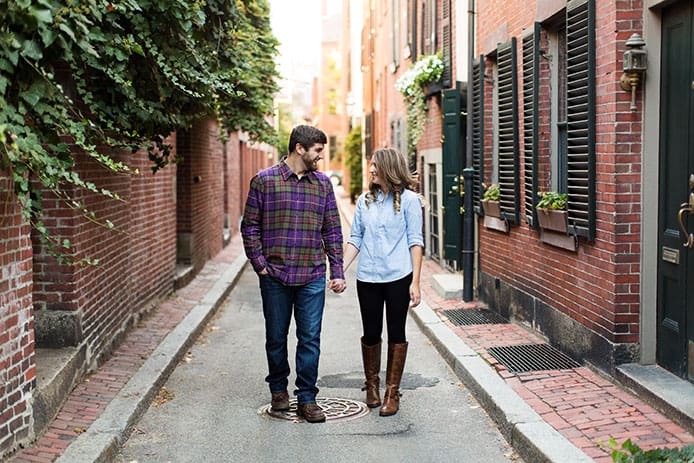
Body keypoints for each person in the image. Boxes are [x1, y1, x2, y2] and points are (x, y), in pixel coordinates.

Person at [241, 125, 346, 423]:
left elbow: (332, 230)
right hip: (275, 275)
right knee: (276, 337)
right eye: (317, 150)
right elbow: (250, 226)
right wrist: (260, 264)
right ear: (299, 148)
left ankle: (307, 398)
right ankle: (278, 389)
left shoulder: (323, 185)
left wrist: (336, 270)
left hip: (312, 275)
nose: (321, 157)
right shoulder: (264, 182)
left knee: (310, 337)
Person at [343, 147, 424, 416]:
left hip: (398, 276)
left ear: (388, 168)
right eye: (371, 165)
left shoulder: (411, 201)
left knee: (396, 332)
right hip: (367, 277)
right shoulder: (365, 201)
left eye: (375, 165)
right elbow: (355, 238)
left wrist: (416, 281)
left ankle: (392, 391)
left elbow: (416, 241)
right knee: (370, 332)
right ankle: (372, 386)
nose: (371, 169)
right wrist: (340, 269)